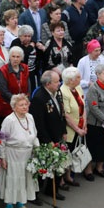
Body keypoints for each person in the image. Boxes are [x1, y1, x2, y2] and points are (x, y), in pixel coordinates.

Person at [0, 94, 38, 208]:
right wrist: (2, 157)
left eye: (26, 104)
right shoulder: (9, 120)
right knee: (13, 180)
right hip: (13, 155)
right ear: (14, 107)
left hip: (27, 154)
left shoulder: (30, 117)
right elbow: (1, 139)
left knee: (24, 179)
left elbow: (34, 135)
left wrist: (37, 149)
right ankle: (9, 206)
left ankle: (21, 203)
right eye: (21, 105)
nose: (25, 107)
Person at [30, 70, 67, 201]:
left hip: (57, 135)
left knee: (56, 164)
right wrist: (47, 140)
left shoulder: (57, 93)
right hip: (46, 139)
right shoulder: (39, 98)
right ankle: (35, 194)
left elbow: (61, 114)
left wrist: (64, 131)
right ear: (48, 84)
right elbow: (39, 123)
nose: (59, 84)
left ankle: (52, 190)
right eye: (56, 82)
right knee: (43, 167)